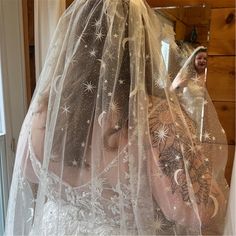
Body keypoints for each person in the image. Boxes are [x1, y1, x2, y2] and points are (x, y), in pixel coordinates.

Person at [5, 0, 229, 235]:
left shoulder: (46, 110)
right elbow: (196, 212)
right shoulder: (154, 117)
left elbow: (28, 169)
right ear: (141, 47)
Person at [170, 47, 208, 141]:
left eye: (205, 58)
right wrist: (179, 85)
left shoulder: (210, 76)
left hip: (205, 115)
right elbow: (170, 92)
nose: (202, 60)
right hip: (188, 113)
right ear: (193, 60)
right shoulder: (186, 75)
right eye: (199, 58)